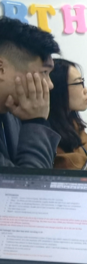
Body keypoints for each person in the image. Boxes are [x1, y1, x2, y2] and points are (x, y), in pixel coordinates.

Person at [0, 17, 61, 168]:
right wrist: (36, 123)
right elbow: (31, 181)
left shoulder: (13, 114)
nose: (50, 85)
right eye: (44, 72)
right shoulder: (28, 116)